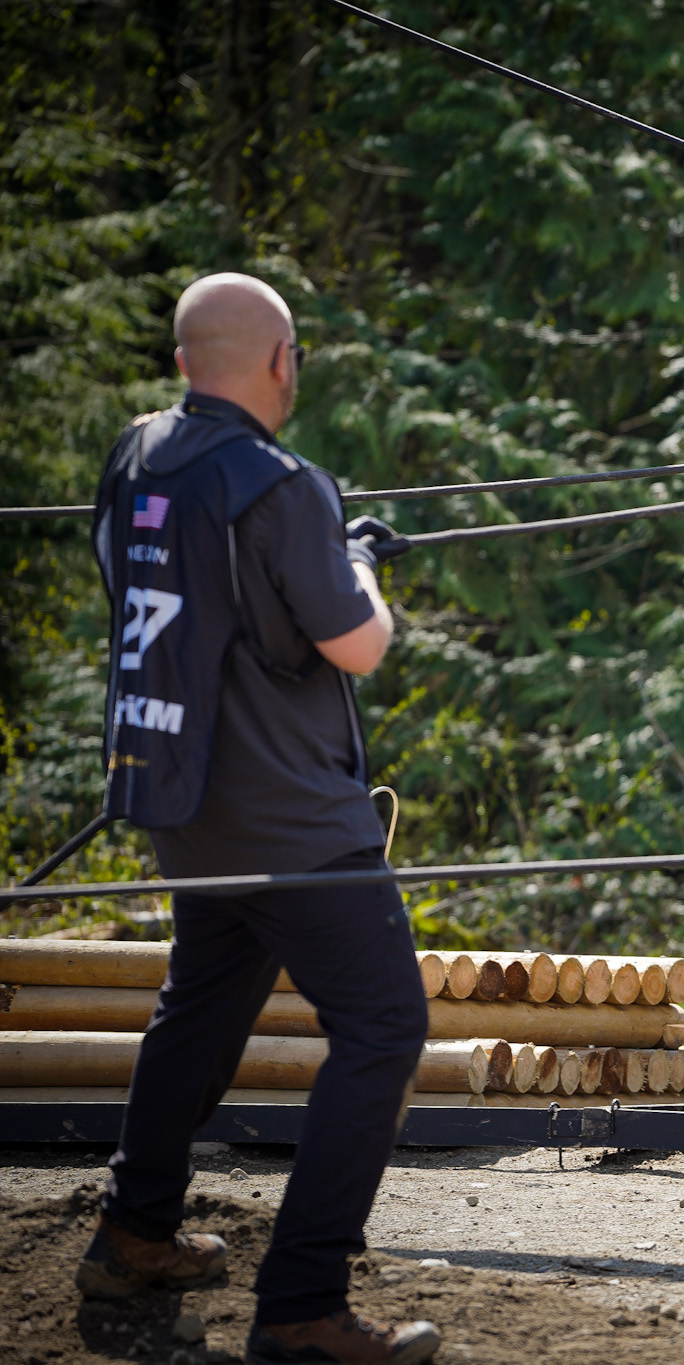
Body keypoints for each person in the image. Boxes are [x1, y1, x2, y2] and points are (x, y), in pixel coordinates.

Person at [77, 272, 439, 1364]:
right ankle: (301, 1306)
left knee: (200, 1008)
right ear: (282, 364)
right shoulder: (280, 484)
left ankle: (134, 1231)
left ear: (185, 362)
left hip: (182, 804)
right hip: (291, 821)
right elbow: (358, 643)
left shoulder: (137, 454)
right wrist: (361, 563)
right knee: (384, 1028)